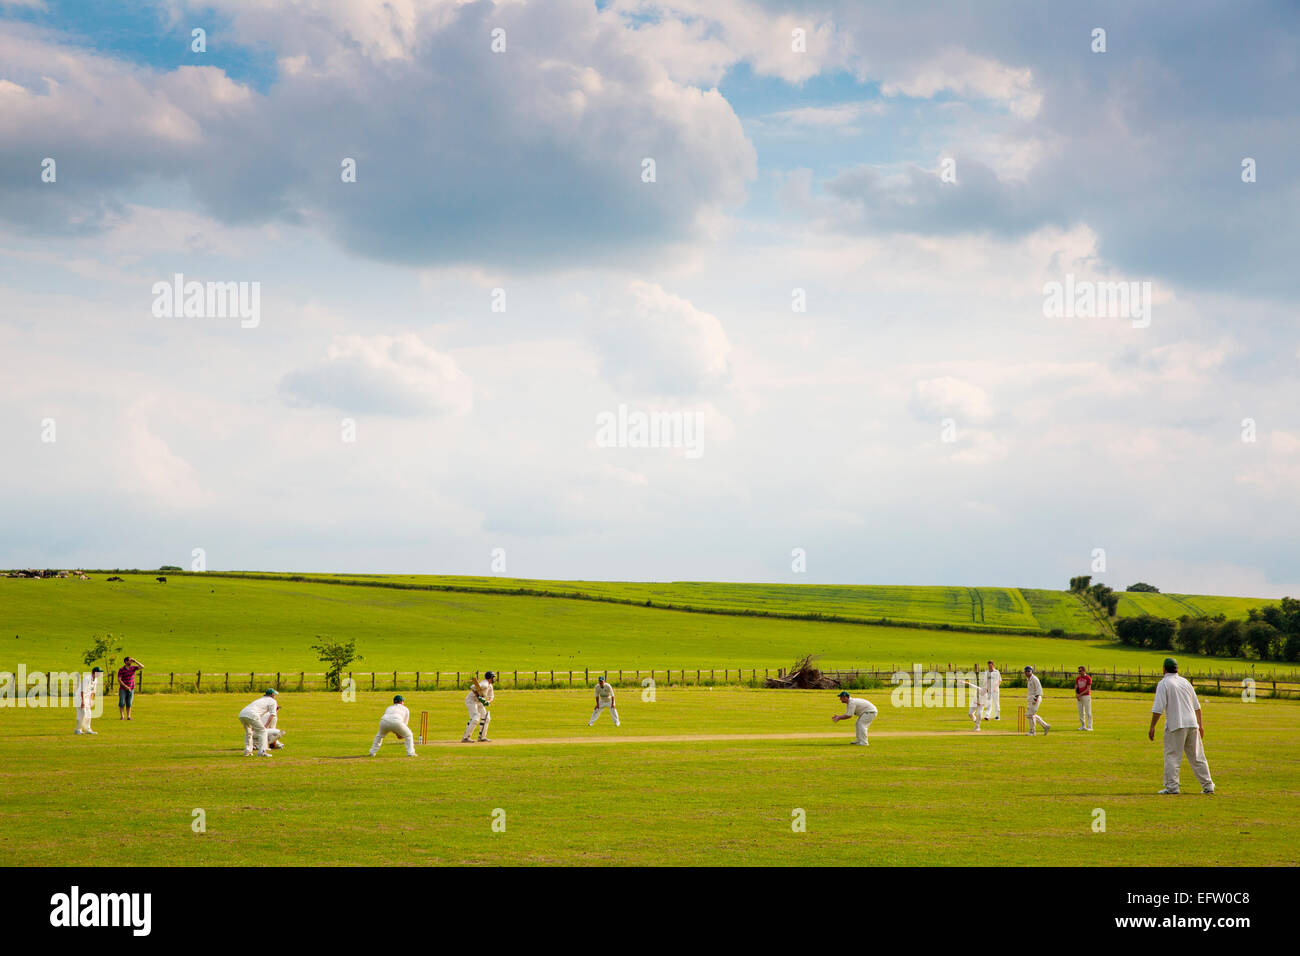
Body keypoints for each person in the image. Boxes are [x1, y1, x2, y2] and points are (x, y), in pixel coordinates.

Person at [1148, 658, 1214, 795]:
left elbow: (1158, 709)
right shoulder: (1185, 682)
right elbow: (1197, 707)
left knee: (1172, 756)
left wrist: (1152, 726)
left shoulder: (1163, 683)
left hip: (1176, 724)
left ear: (1164, 669)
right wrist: (1200, 725)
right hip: (1192, 723)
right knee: (1197, 756)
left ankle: (1172, 787)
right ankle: (1208, 786)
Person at [239, 689, 282, 757]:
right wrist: (266, 726)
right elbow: (272, 715)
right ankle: (262, 752)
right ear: (272, 695)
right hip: (252, 714)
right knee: (263, 731)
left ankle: (247, 751)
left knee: (249, 732)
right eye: (274, 695)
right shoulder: (273, 701)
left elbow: (259, 713)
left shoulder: (261, 699)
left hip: (242, 714)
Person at [462, 671, 496, 742]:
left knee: (486, 718)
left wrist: (487, 701)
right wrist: (478, 696)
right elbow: (472, 687)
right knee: (475, 717)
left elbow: (491, 697)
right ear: (490, 678)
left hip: (479, 702)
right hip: (471, 700)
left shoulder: (490, 686)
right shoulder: (484, 684)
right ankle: (465, 738)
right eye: (493, 677)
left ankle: (482, 737)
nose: (494, 679)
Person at [73, 667, 102, 735]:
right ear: (94, 673)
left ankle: (87, 729)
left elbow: (93, 691)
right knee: (82, 714)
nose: (100, 674)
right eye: (98, 672)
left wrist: (91, 701)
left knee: (89, 713)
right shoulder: (87, 679)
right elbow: (82, 691)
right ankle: (78, 729)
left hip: (87, 698)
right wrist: (82, 701)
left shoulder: (96, 679)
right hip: (80, 697)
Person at [1023, 666, 1050, 736]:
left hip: (1036, 698)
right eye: (1026, 671)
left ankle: (1032, 731)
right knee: (1031, 715)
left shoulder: (1035, 679)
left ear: (1031, 671)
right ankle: (1045, 726)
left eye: (1028, 671)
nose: (1027, 673)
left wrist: (1035, 699)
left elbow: (1039, 690)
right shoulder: (1028, 679)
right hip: (1030, 698)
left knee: (1030, 714)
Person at [117, 656, 143, 720]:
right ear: (126, 661)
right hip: (123, 689)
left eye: (131, 660)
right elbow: (119, 680)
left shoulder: (133, 668)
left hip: (131, 688)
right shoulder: (121, 669)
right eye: (130, 660)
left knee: (129, 703)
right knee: (122, 702)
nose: (131, 661)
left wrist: (135, 661)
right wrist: (126, 687)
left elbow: (142, 666)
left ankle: (128, 716)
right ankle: (122, 716)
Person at [1075, 665, 1093, 730]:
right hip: (1079, 696)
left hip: (1086, 696)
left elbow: (1088, 689)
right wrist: (1077, 694)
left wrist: (1080, 694)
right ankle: (1082, 725)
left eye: (1080, 671)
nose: (1079, 672)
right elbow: (1076, 687)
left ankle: (1090, 727)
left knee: (1088, 712)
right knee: (1080, 712)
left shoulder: (1088, 678)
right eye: (1078, 671)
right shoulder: (1077, 678)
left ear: (1084, 671)